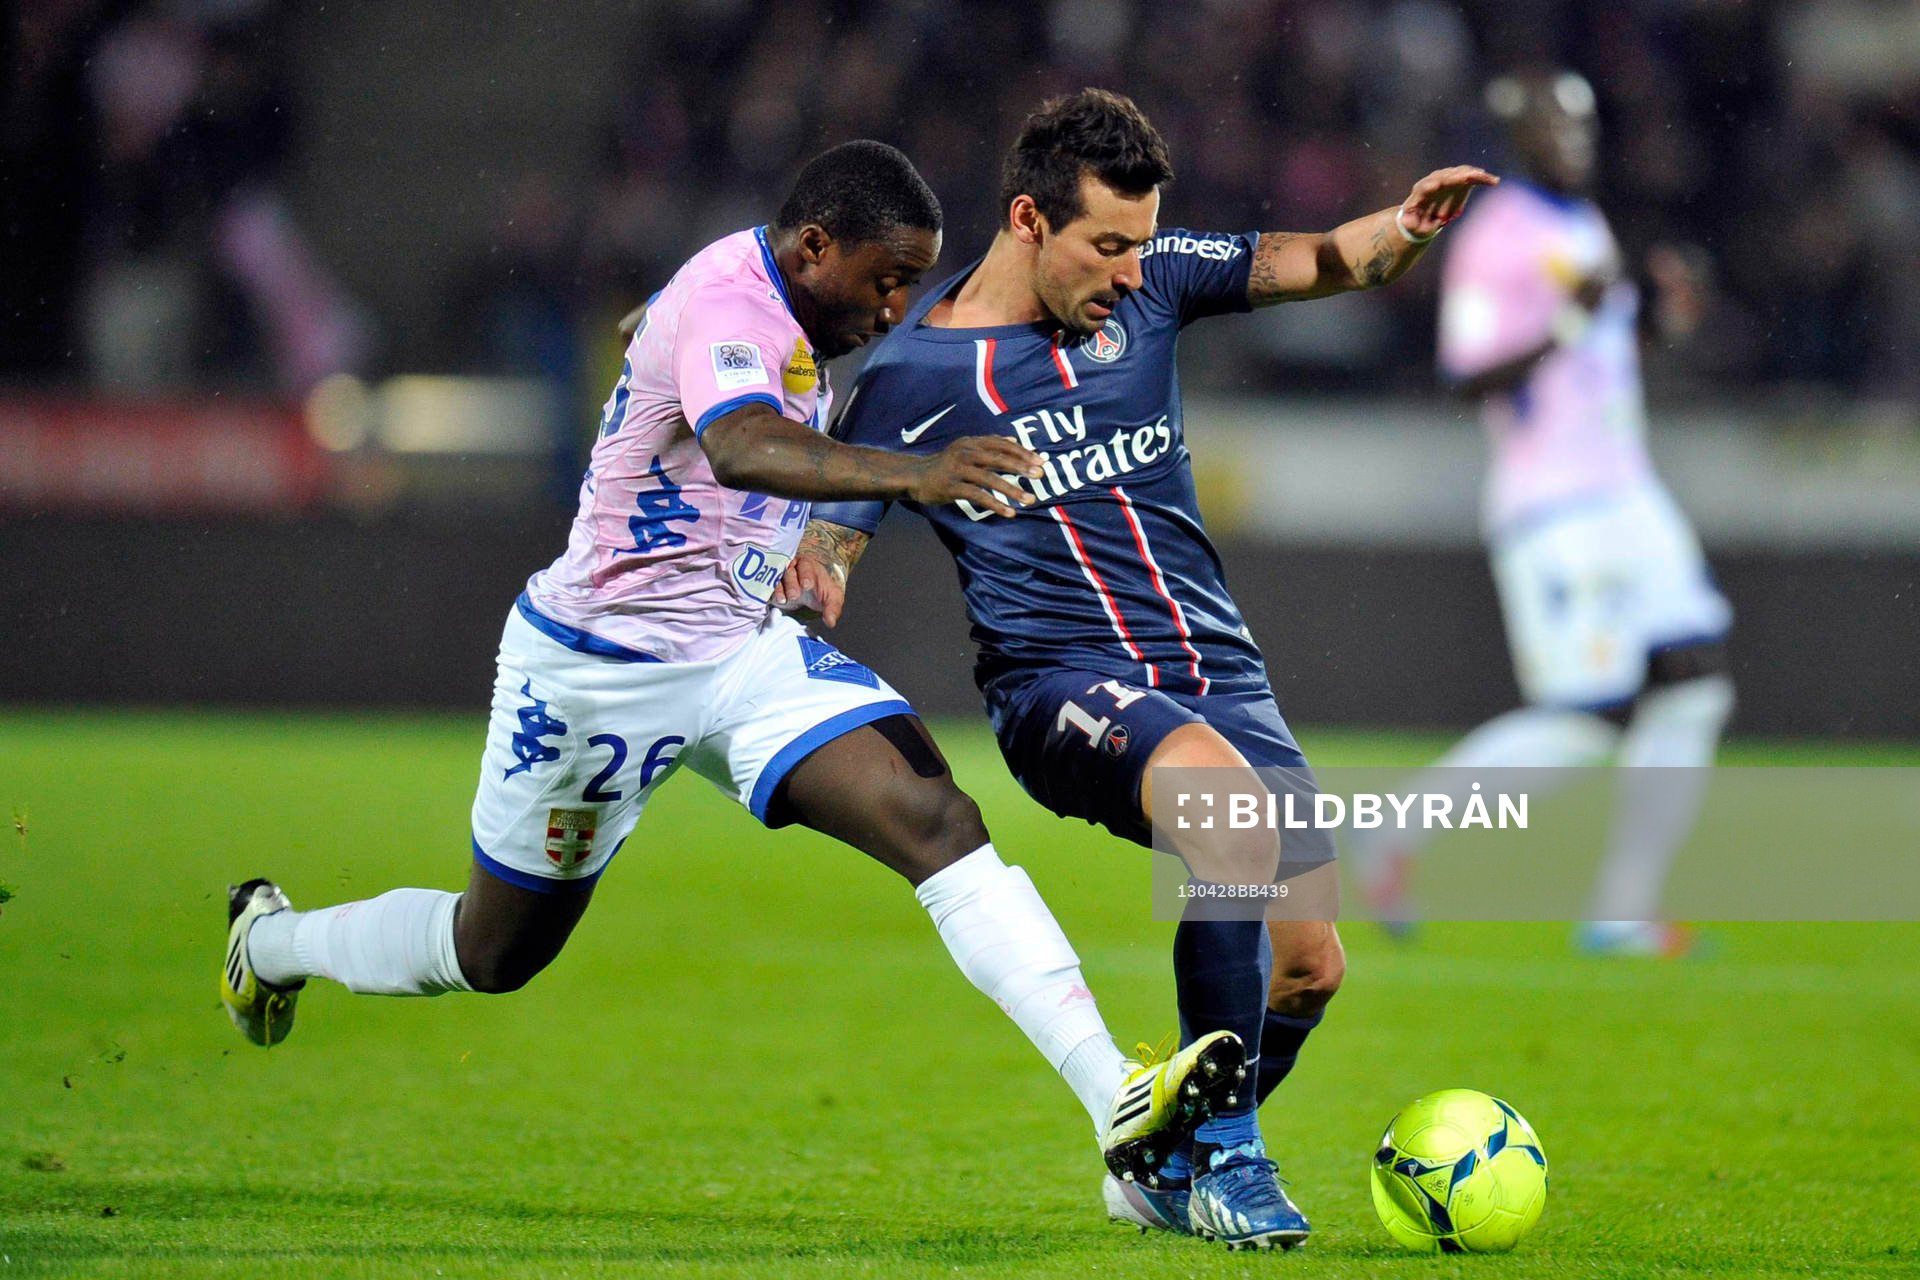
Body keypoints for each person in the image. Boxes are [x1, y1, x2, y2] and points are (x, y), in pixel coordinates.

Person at [219, 140, 1249, 1186]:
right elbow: (742, 443)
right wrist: (915, 474)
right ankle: (272, 943)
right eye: (885, 279)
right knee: (495, 951)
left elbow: (693, 342)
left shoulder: (770, 293)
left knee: (937, 817)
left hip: (741, 653)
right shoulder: (731, 298)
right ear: (816, 247)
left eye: (911, 282)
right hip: (598, 671)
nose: (895, 308)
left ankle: (1115, 1100)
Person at [778, 91, 1494, 1249]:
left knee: (1309, 966)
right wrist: (812, 581)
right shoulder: (908, 381)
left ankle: (1160, 1158)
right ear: (1028, 220)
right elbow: (828, 549)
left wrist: (1403, 229)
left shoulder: (1152, 283)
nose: (1128, 269)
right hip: (1057, 685)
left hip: (1217, 672)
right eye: (1106, 244)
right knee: (1230, 819)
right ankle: (1228, 1159)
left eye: (1140, 243)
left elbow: (1321, 258)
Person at [1356, 71, 1735, 957]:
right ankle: (1395, 833)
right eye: (1555, 128)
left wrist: (1660, 322)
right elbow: (1468, 374)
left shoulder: (1582, 221)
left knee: (1695, 682)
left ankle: (1623, 911)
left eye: (1583, 125)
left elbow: (1595, 346)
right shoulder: (1500, 236)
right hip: (1555, 506)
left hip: (1627, 490)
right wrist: (1569, 322)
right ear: (1518, 141)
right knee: (1589, 717)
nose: (1575, 142)